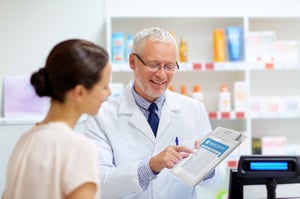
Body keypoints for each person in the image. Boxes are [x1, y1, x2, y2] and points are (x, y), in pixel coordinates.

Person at [84, 27, 226, 199]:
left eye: (169, 66)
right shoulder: (102, 116)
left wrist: (206, 166)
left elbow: (217, 180)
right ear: (132, 62)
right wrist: (149, 168)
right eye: (154, 65)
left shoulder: (194, 109)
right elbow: (98, 183)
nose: (161, 74)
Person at [2, 39, 112, 199]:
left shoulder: (24, 141)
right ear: (79, 92)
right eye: (104, 86)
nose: (109, 92)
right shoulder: (79, 148)